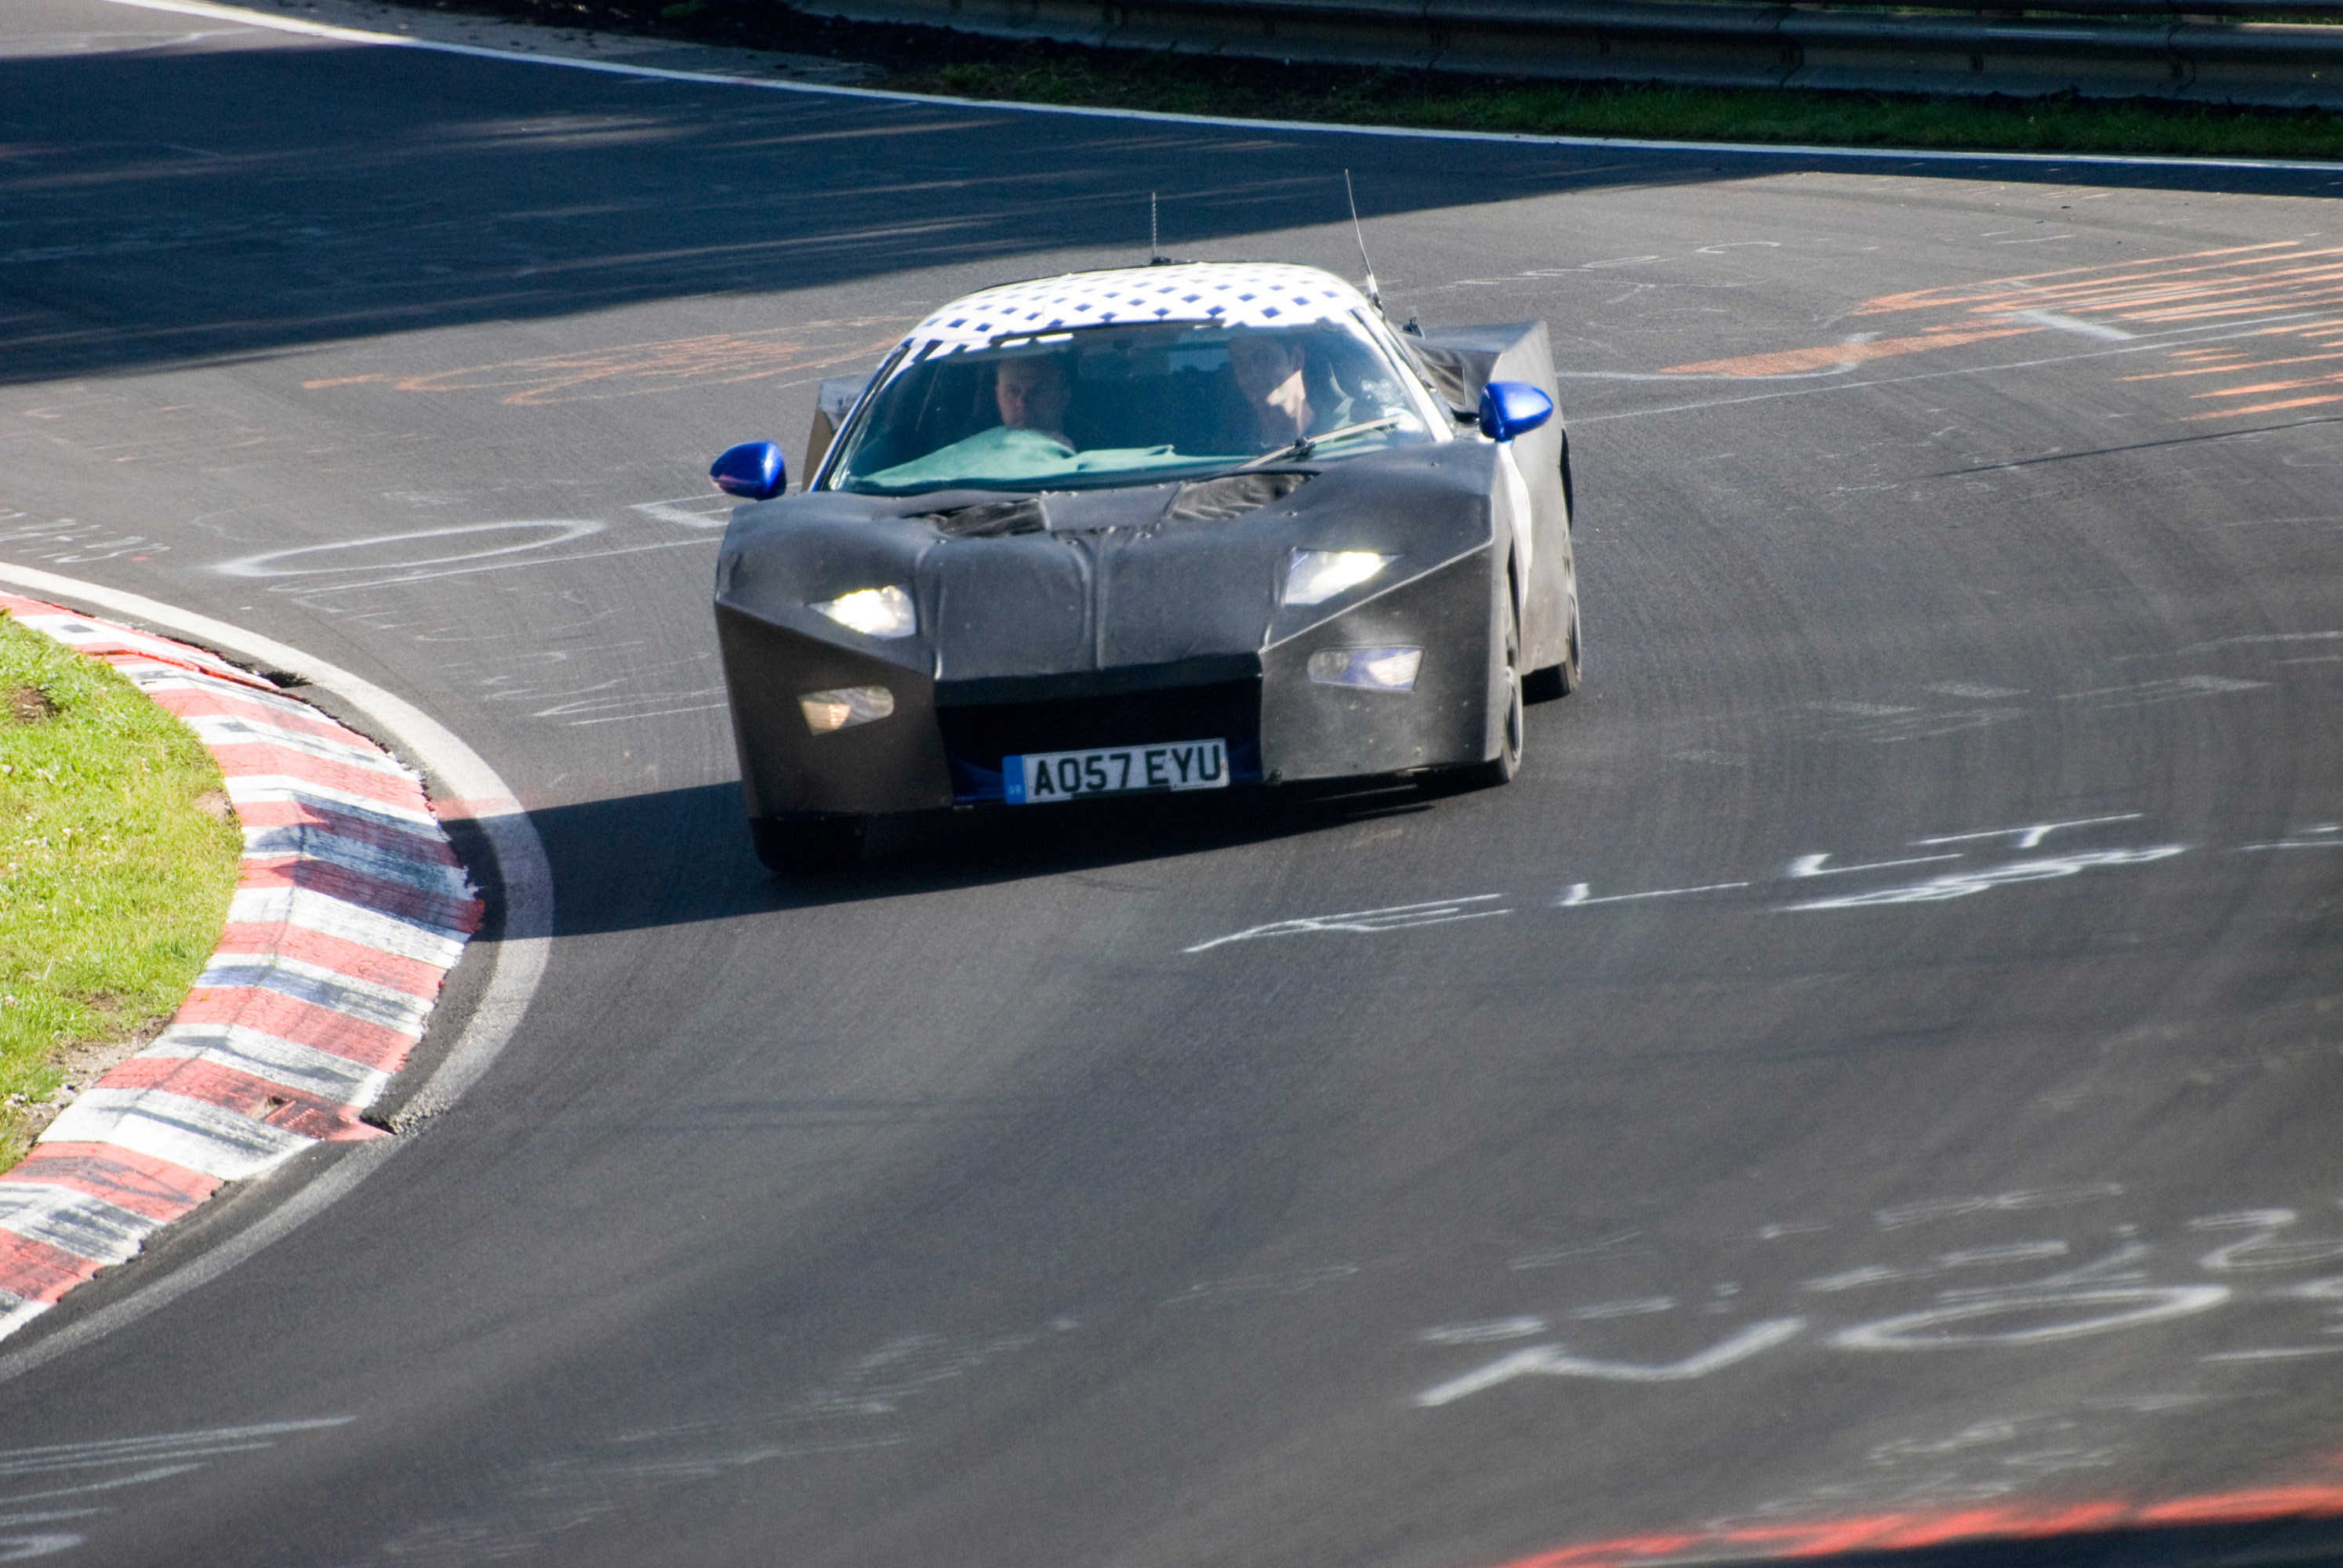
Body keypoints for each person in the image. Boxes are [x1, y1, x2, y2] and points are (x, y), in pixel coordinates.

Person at [1227, 332, 1316, 447]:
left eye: (1263, 357)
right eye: (1239, 361)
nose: (1249, 373)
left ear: (1297, 359)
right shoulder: (1225, 441)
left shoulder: (1340, 434)